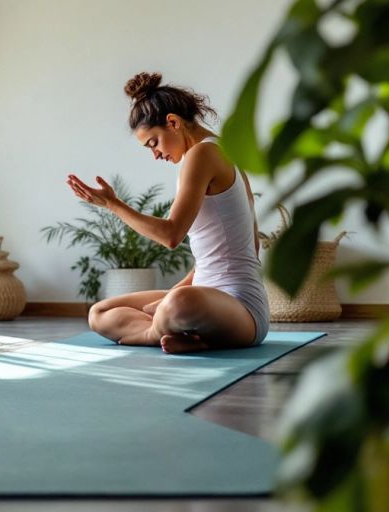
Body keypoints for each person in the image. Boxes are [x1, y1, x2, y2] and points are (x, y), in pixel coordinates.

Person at [66, 72, 269, 354]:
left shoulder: (204, 154)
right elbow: (219, 255)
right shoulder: (216, 152)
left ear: (172, 122)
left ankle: (152, 332)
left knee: (180, 303)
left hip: (241, 307)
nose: (156, 155)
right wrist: (175, 291)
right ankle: (188, 336)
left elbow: (171, 235)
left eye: (153, 143)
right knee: (100, 311)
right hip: (204, 298)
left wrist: (114, 205)